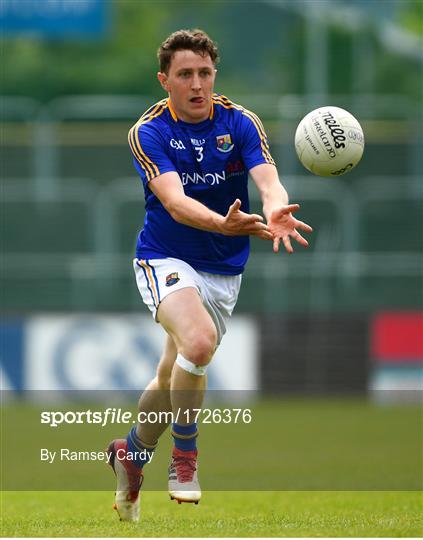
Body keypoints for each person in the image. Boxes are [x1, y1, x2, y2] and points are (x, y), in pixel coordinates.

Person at [108, 28, 312, 522]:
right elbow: (176, 204)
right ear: (165, 81)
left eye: (204, 73)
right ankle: (185, 458)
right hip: (164, 257)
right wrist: (224, 223)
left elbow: (268, 179)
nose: (197, 84)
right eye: (185, 75)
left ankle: (131, 456)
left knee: (169, 375)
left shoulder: (240, 122)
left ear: (213, 75)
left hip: (223, 270)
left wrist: (277, 208)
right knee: (198, 344)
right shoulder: (149, 131)